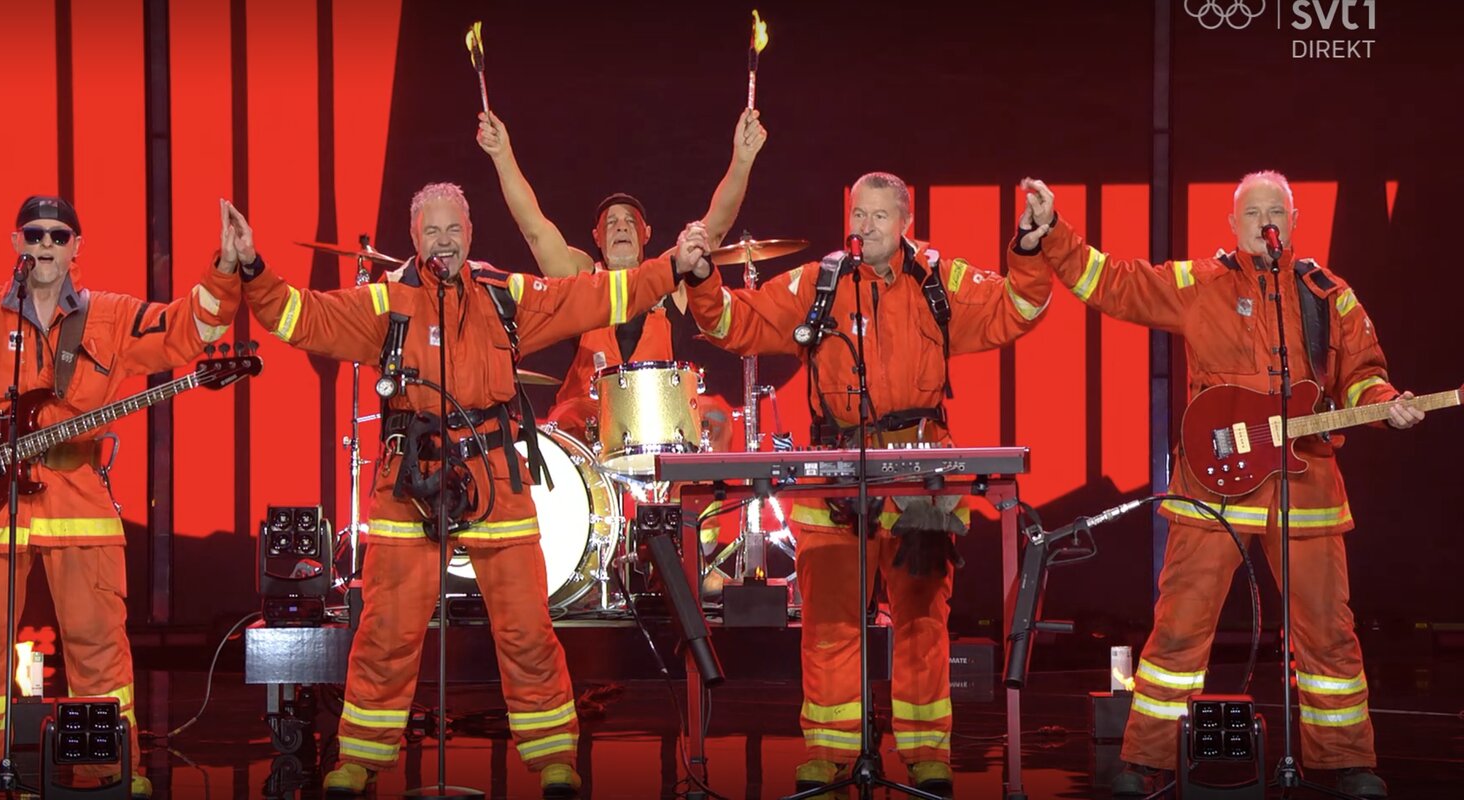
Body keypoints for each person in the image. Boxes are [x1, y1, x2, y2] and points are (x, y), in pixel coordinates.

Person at [235, 185, 705, 798]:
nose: (444, 242)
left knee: (527, 630)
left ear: (470, 233)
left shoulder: (504, 296)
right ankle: (359, 757)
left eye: (453, 230)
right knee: (385, 632)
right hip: (410, 481)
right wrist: (252, 267)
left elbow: (595, 296)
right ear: (414, 238)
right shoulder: (386, 302)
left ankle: (553, 757)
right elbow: (301, 317)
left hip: (495, 477)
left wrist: (669, 267)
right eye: (432, 231)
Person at [1018, 173, 1420, 799]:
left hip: (1306, 489)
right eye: (1252, 212)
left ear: (1295, 220)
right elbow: (1115, 283)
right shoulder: (1200, 283)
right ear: (1232, 224)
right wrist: (1054, 234)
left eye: (1276, 211)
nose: (1266, 222)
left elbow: (1364, 375)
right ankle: (1146, 759)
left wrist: (1386, 404)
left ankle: (1346, 762)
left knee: (1328, 632)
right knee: (1180, 626)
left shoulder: (1330, 294)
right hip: (1215, 483)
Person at [677, 172, 1055, 796]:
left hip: (922, 477)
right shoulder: (817, 283)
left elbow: (1018, 307)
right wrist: (700, 279)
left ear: (906, 222)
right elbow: (734, 323)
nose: (865, 226)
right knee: (829, 624)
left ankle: (927, 755)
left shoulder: (939, 280)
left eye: (880, 216)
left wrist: (1031, 247)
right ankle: (828, 753)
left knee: (923, 623)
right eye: (858, 213)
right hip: (831, 478)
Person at [0, 195, 243, 798]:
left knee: (98, 650)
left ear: (76, 247)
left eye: (58, 236)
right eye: (35, 233)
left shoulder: (110, 316)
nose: (45, 244)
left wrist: (224, 266)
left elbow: (187, 330)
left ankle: (107, 770)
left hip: (78, 502)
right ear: (16, 242)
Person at [475, 108, 767, 441]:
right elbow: (536, 231)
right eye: (611, 222)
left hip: (660, 413)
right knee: (562, 420)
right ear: (597, 238)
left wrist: (742, 160)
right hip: (587, 418)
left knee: (717, 416)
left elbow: (713, 230)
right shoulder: (581, 276)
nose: (621, 226)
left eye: (630, 221)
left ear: (647, 233)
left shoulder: (670, 275)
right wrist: (502, 155)